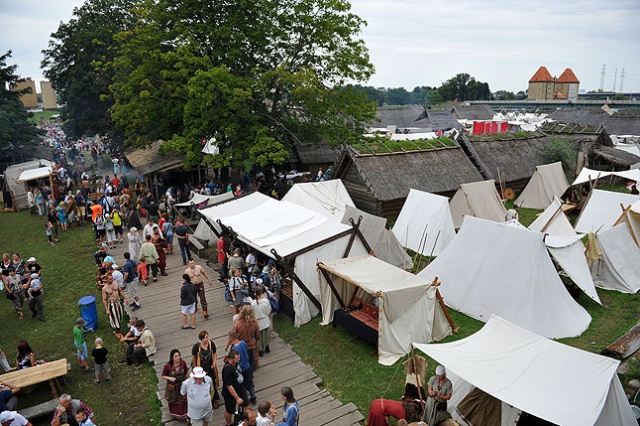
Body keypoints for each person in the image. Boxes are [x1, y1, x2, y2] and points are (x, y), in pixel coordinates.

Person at [191, 330, 221, 409]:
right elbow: (193, 356)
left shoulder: (211, 344)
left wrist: (214, 361)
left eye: (207, 337)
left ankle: (213, 399)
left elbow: (214, 353)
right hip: (201, 368)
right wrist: (195, 368)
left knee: (212, 382)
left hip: (210, 367)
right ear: (201, 339)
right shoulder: (196, 347)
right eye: (205, 338)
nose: (206, 339)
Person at [222, 349, 248, 426]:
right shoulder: (227, 370)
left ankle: (245, 421)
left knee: (246, 405)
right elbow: (229, 386)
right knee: (229, 410)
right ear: (231, 359)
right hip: (230, 394)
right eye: (237, 358)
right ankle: (229, 423)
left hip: (241, 389)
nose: (239, 359)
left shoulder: (235, 364)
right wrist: (237, 398)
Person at [162, 349, 189, 420]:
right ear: (172, 358)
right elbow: (163, 376)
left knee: (183, 399)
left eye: (178, 356)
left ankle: (185, 414)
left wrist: (188, 381)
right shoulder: (167, 366)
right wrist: (170, 378)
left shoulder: (183, 363)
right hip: (173, 387)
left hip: (182, 384)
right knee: (174, 400)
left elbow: (186, 372)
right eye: (176, 356)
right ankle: (176, 414)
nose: (178, 358)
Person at [251, 285, 272, 357]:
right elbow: (269, 310)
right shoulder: (266, 301)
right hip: (265, 320)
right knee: (266, 335)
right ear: (262, 293)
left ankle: (260, 350)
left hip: (257, 322)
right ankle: (266, 347)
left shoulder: (252, 303)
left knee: (258, 337)